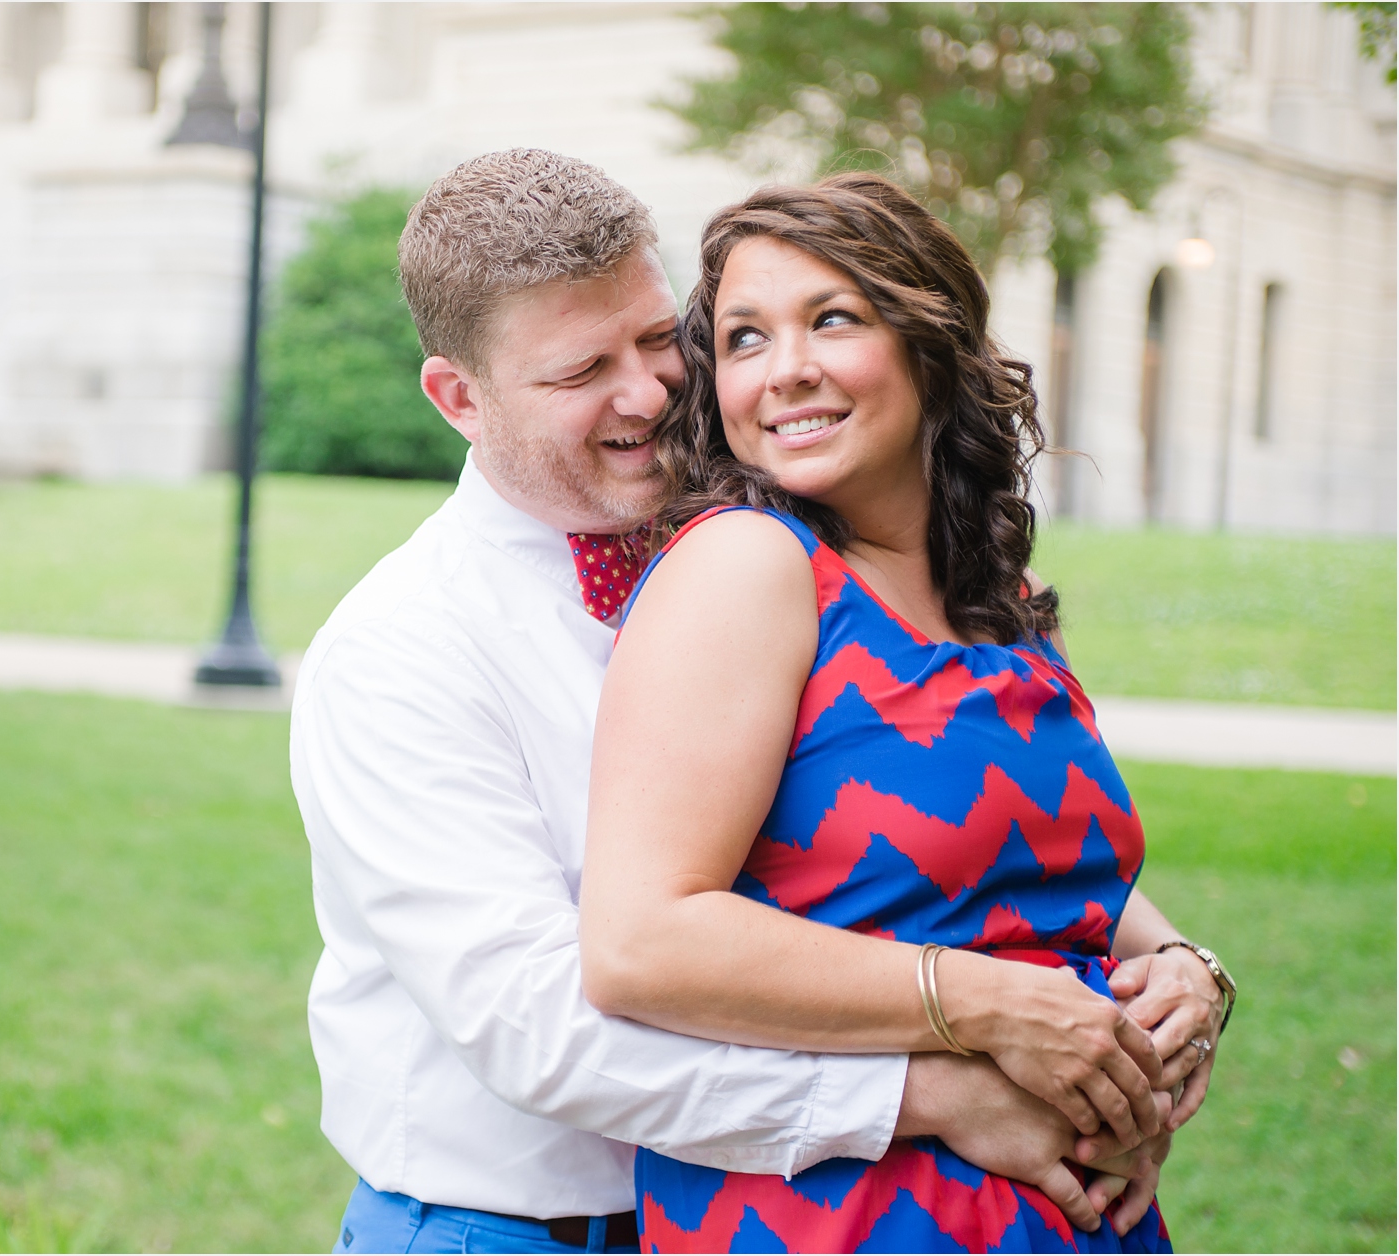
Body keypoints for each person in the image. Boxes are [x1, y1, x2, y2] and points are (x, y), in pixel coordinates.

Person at [293, 149, 1190, 1256]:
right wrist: (934, 1089)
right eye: (581, 372)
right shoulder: (399, 652)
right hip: (520, 1226)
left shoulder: (791, 532)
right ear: (457, 398)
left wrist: (1164, 966)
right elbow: (543, 1027)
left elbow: (931, 816)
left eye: (659, 337)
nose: (647, 391)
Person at [578, 175, 1234, 1252]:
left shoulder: (1002, 597)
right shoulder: (748, 568)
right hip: (843, 1215)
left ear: (928, 342)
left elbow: (1018, 862)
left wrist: (1181, 970)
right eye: (743, 338)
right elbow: (640, 939)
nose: (784, 368)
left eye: (830, 319)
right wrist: (988, 1004)